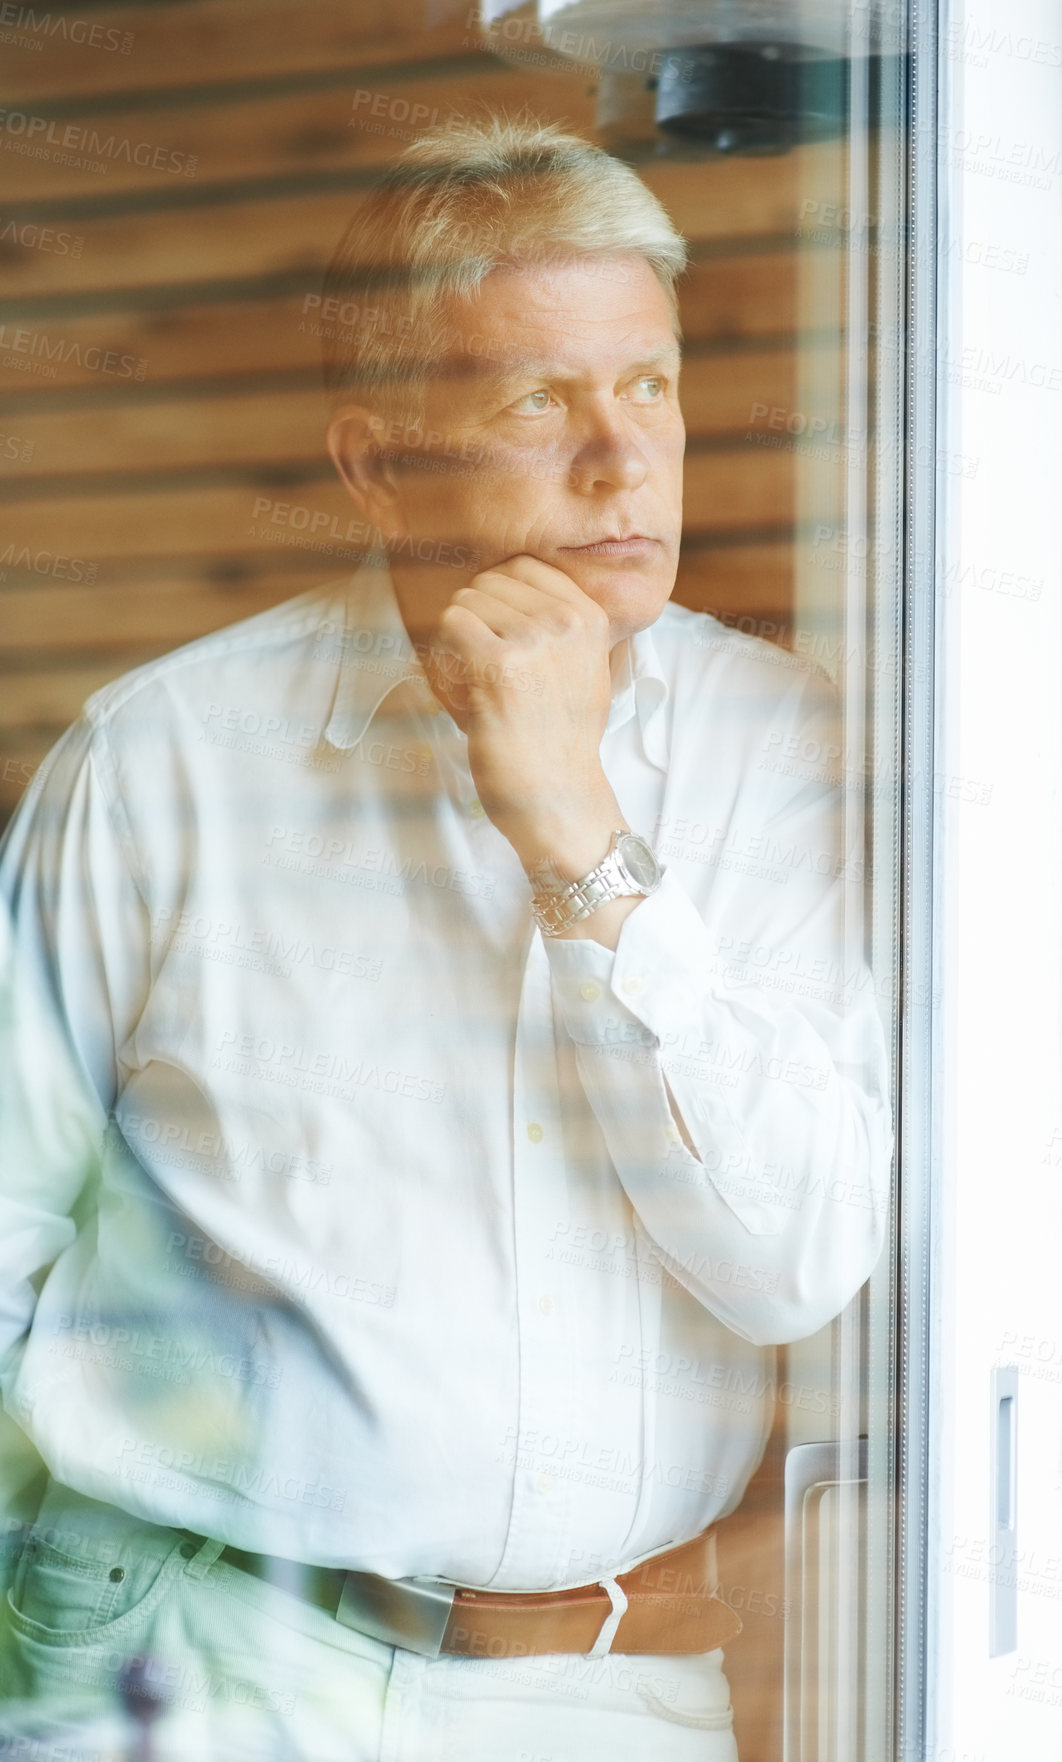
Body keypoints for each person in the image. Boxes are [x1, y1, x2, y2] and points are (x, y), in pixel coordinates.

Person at [0, 115, 892, 1761]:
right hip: (195, 1667)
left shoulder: (791, 745)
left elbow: (794, 1259)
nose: (623, 461)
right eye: (538, 399)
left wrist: (575, 831)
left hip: (614, 1697)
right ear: (375, 462)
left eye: (650, 384)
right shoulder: (163, 756)